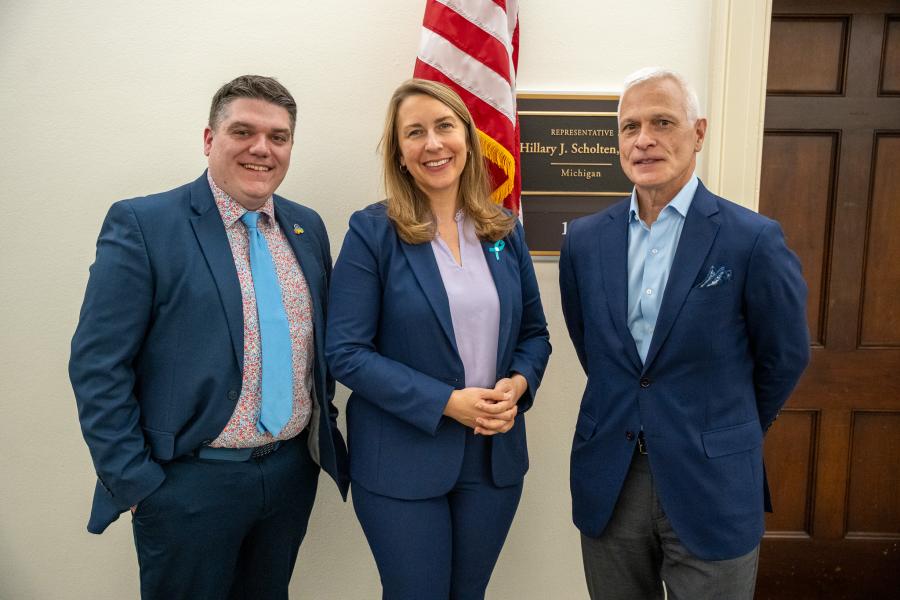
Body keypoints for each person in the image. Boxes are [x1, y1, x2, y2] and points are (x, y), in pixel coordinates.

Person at [69, 74, 348, 599]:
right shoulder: (145, 224)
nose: (262, 148)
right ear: (208, 139)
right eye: (243, 132)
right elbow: (97, 365)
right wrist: (138, 484)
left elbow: (318, 352)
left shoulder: (306, 227)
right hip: (188, 486)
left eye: (278, 137)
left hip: (288, 477)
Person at [559, 67, 810, 600]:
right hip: (612, 479)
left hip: (712, 482)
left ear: (698, 133)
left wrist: (725, 424)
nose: (644, 140)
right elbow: (596, 351)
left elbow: (784, 357)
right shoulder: (583, 240)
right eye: (630, 127)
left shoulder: (752, 239)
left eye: (662, 122)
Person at [326, 79, 551, 599]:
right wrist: (447, 402)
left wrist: (518, 385)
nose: (433, 144)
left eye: (444, 126)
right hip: (401, 457)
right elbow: (346, 353)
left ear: (467, 138)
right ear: (399, 152)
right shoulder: (372, 232)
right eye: (415, 132)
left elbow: (535, 335)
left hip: (492, 458)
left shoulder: (503, 229)